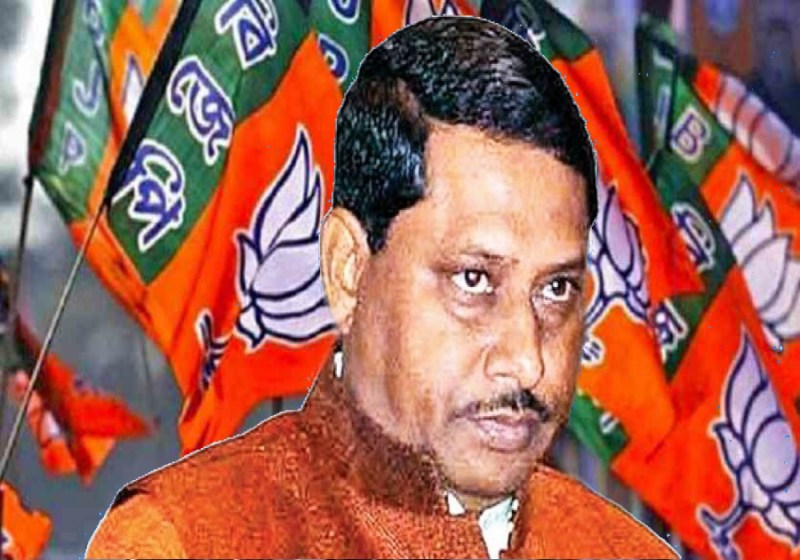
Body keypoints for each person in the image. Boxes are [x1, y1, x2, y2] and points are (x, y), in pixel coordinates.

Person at [86, 16, 678, 559]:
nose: (527, 362)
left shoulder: (626, 553)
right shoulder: (184, 541)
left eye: (556, 290)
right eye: (474, 280)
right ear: (348, 269)